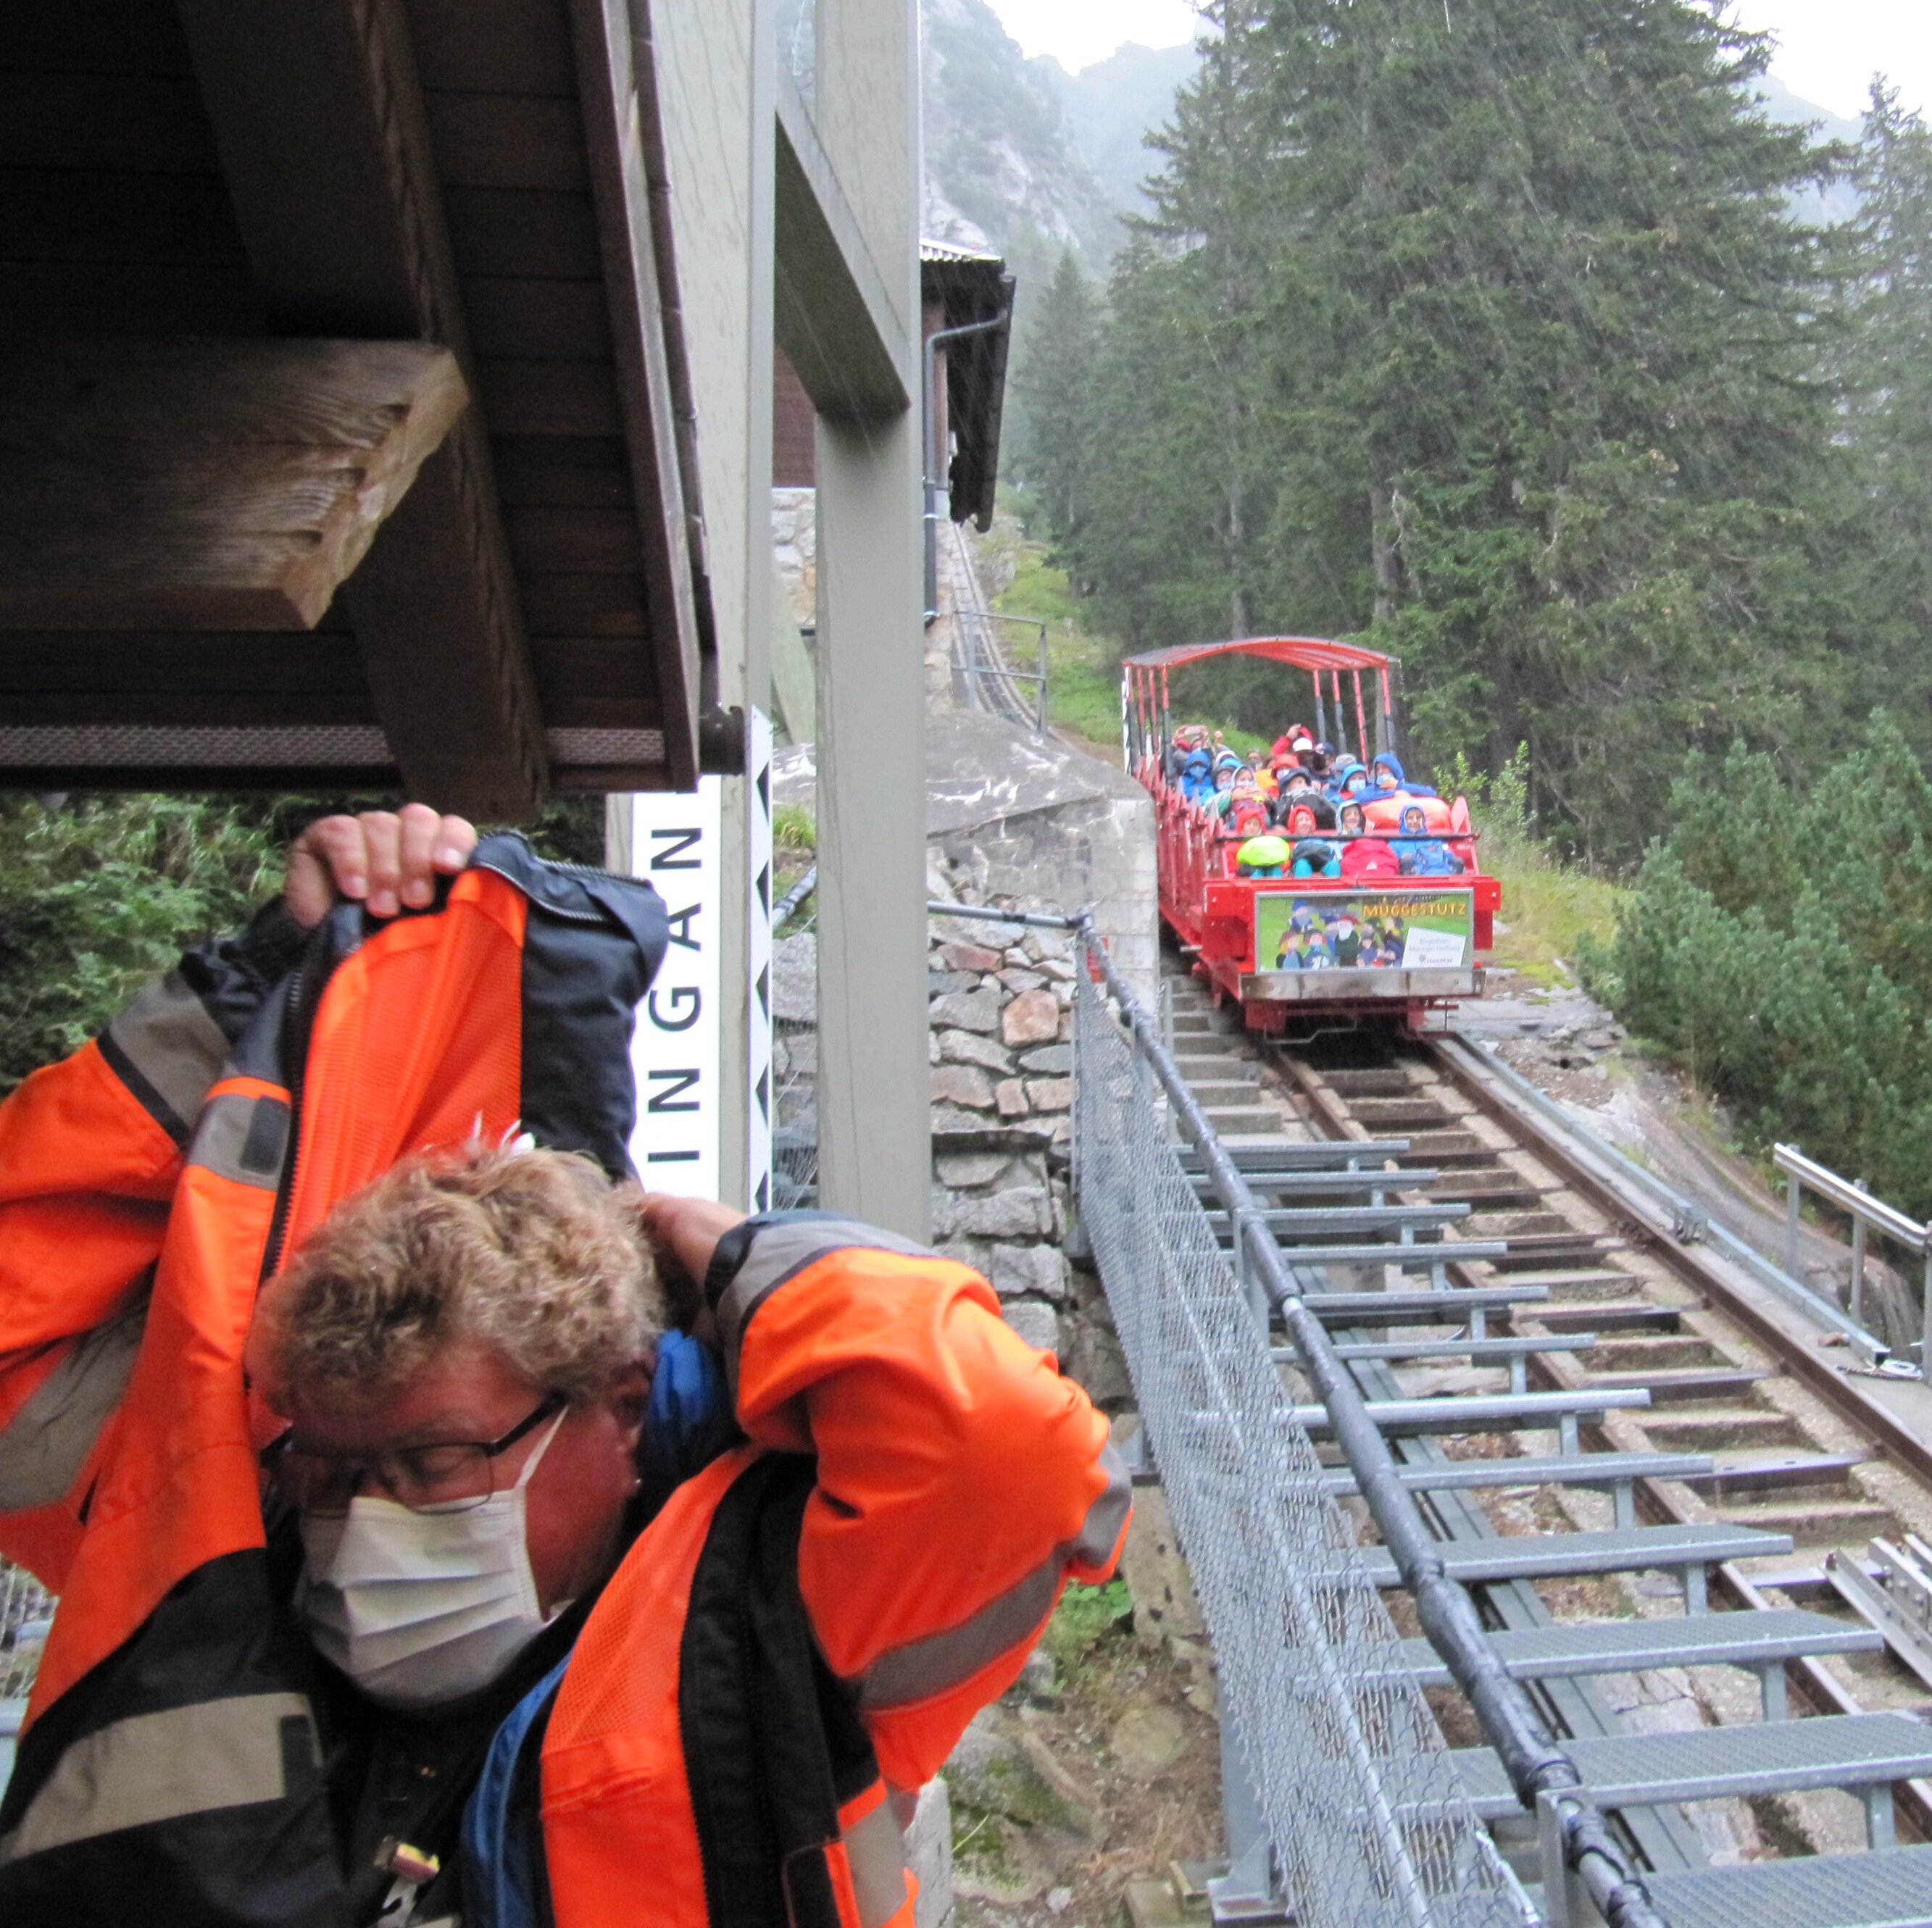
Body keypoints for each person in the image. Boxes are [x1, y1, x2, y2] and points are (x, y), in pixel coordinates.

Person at [0, 809, 1126, 1927]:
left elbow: (1014, 1454)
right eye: (337, 1471)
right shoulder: (224, 1529)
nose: (363, 1522)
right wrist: (256, 988)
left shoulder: (787, 1597)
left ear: (619, 1406)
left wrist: (735, 1259)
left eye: (433, 1461)